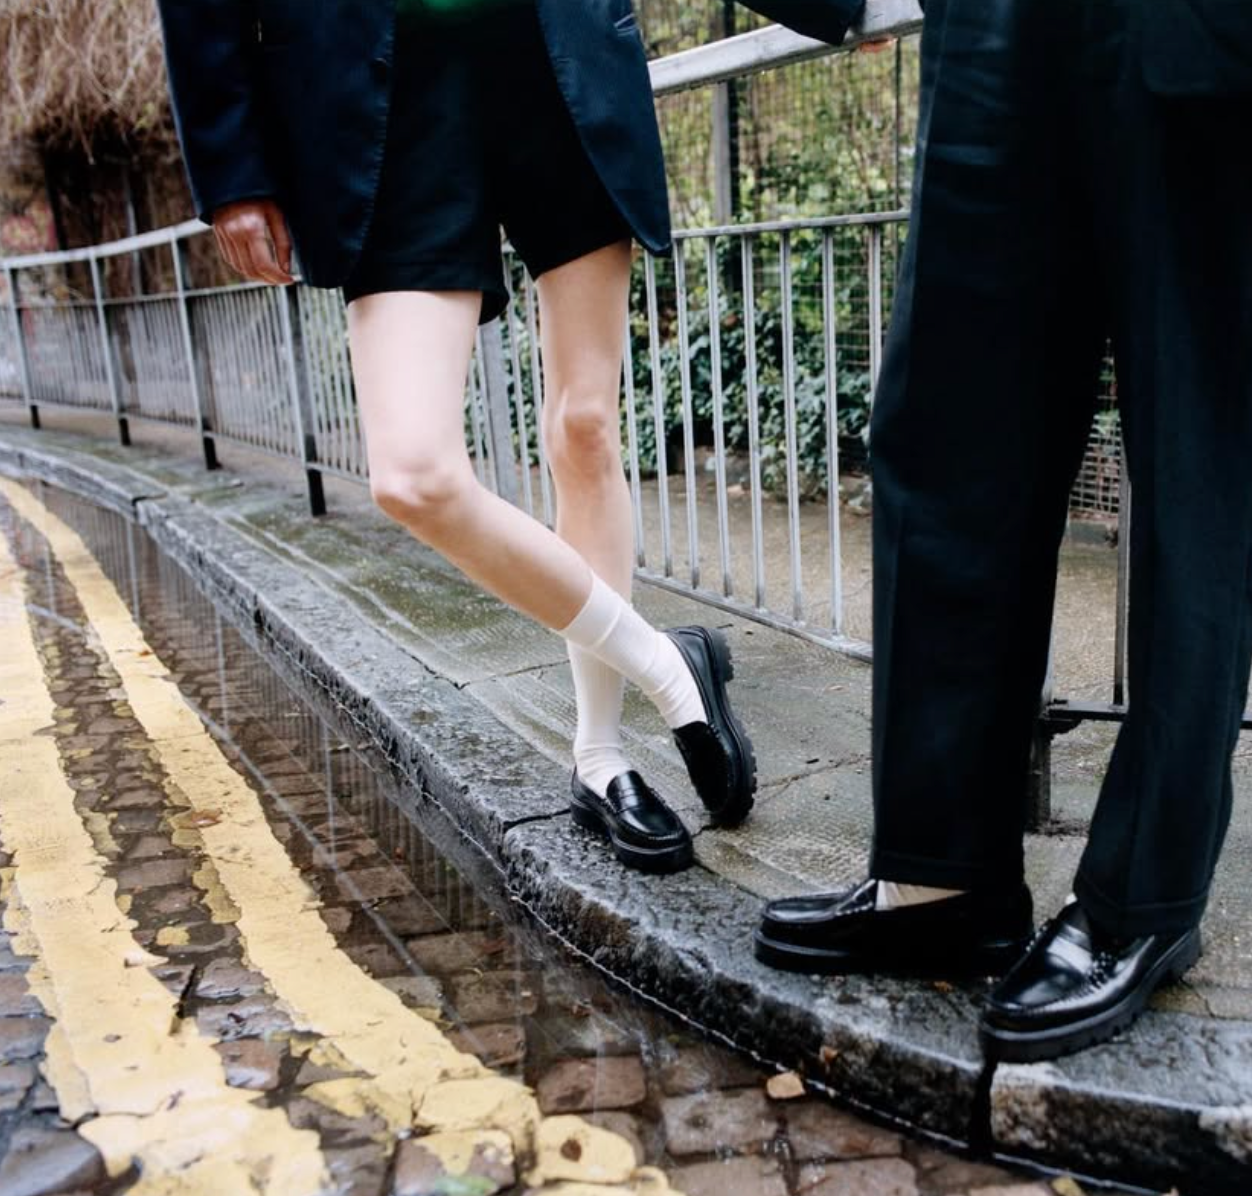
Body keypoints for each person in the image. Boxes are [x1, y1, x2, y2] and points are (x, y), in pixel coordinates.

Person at [756, 0, 1252, 1062]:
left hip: (1214, 41)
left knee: (1197, 467)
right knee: (943, 440)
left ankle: (1143, 897)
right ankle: (939, 877)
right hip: (992, 30)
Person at [153, 0, 864, 874]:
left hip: (552, 59)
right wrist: (232, 169)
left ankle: (600, 758)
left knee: (585, 429)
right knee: (413, 476)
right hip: (382, 95)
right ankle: (668, 666)